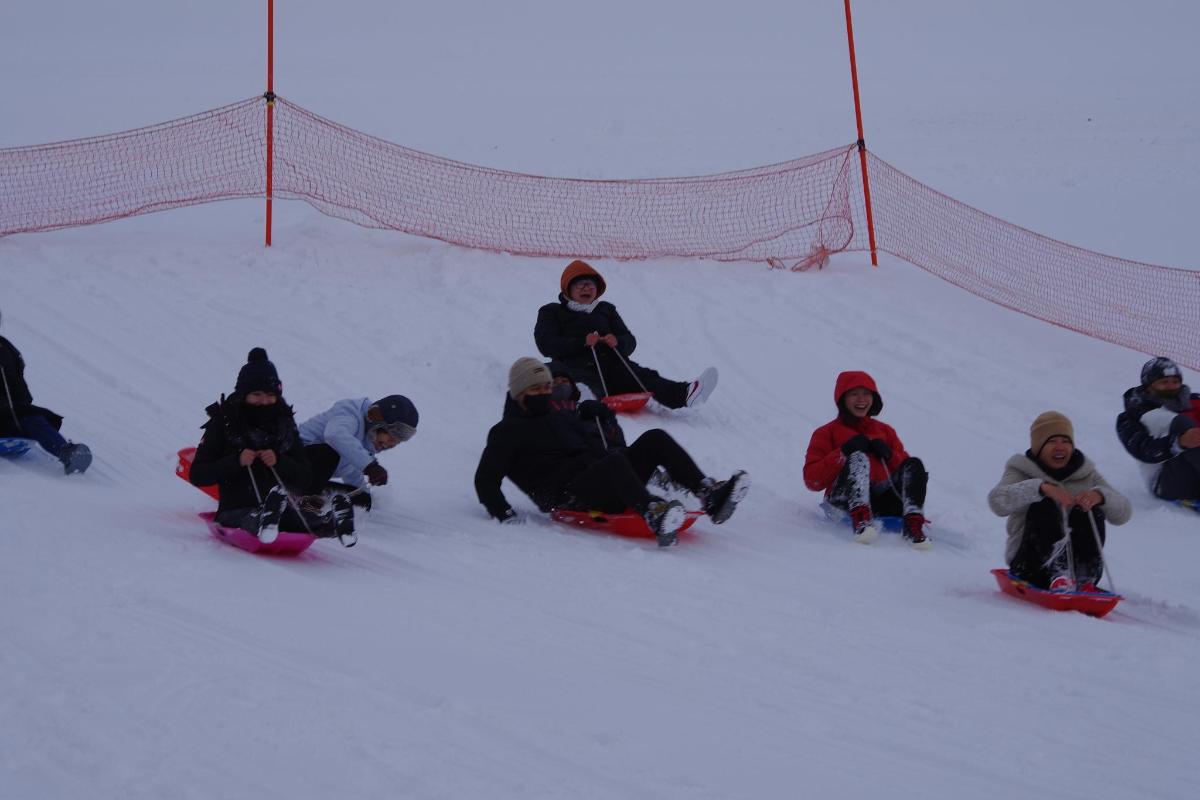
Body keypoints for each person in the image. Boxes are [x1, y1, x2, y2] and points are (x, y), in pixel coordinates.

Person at [474, 357, 748, 546]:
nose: (546, 393)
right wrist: (504, 514)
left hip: (600, 480)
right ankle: (654, 513)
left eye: (548, 387)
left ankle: (708, 494)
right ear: (520, 392)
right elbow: (485, 480)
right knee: (613, 463)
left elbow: (606, 451)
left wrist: (606, 422)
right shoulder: (506, 432)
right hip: (567, 496)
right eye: (537, 388)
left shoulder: (561, 418)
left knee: (655, 438)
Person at [189, 348, 354, 545]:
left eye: (270, 395)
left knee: (300, 518)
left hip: (281, 505)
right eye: (256, 394)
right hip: (235, 507)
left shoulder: (283, 423)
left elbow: (305, 478)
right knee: (247, 517)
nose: (264, 401)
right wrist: (236, 461)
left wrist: (279, 461)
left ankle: (334, 522)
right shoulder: (224, 422)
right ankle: (264, 520)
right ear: (243, 394)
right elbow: (198, 475)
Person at [534, 260, 717, 410]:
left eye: (590, 284)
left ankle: (685, 394)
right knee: (572, 382)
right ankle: (577, 402)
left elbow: (630, 341)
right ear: (568, 289)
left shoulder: (606, 309)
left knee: (645, 377)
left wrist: (617, 342)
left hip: (612, 366)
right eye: (580, 284)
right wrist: (582, 342)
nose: (586, 288)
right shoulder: (552, 312)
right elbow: (546, 344)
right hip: (575, 367)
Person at [989, 411, 1131, 591]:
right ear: (1039, 447)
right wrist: (1041, 488)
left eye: (1065, 441)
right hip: (1031, 566)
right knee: (1044, 504)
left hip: (1079, 571)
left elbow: (1124, 513)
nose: (1060, 447)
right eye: (1051, 441)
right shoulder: (1020, 470)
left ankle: (1084, 574)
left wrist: (1100, 496)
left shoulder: (1086, 474)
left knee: (1089, 510)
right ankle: (1058, 573)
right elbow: (997, 501)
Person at [803, 371, 930, 547]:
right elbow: (812, 480)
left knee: (914, 464)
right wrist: (843, 452)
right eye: (854, 394)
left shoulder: (885, 431)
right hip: (843, 501)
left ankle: (913, 524)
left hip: (882, 501)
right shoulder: (826, 432)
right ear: (842, 399)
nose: (861, 399)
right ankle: (861, 521)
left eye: (866, 393)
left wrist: (890, 455)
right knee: (858, 459)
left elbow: (907, 475)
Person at [0, 309, 92, 474]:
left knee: (32, 418)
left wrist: (19, 407)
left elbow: (18, 385)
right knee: (28, 417)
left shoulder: (5, 349)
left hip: (9, 411)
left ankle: (68, 452)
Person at [298, 394, 419, 508]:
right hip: (291, 460)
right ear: (378, 424)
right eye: (392, 438)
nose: (392, 444)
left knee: (362, 499)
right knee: (328, 455)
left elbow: (352, 472)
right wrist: (369, 467)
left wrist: (366, 497)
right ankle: (305, 504)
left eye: (397, 442)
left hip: (307, 475)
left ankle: (316, 496)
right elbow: (334, 435)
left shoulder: (363, 443)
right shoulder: (350, 415)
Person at [1116, 356, 1200, 502]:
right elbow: (1144, 450)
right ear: (1148, 386)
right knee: (1182, 424)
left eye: (1175, 381)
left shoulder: (1192, 401)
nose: (1171, 386)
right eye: (1164, 382)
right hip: (1166, 482)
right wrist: (1179, 442)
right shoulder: (1130, 417)